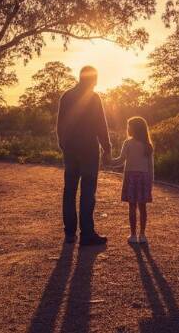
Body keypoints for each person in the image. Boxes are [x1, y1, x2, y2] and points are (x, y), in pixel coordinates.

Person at [56, 65, 111, 246]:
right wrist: (107, 149)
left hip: (71, 149)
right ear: (93, 79)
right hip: (89, 150)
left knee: (69, 190)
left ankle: (70, 233)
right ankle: (87, 233)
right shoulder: (94, 98)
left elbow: (60, 124)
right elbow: (101, 125)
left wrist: (63, 145)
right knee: (88, 192)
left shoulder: (66, 96)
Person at [109, 116, 154, 244]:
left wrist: (109, 161)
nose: (127, 128)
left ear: (135, 128)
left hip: (131, 177)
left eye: (129, 126)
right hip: (144, 178)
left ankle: (134, 235)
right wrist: (151, 182)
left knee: (133, 207)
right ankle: (142, 235)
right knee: (142, 207)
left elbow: (120, 160)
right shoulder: (147, 145)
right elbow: (151, 167)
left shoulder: (128, 143)